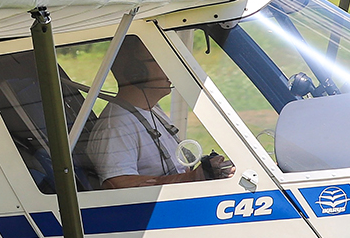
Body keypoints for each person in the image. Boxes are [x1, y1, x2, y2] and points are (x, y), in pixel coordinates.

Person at [79, 40, 236, 189]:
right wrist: (193, 177)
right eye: (159, 60)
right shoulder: (115, 126)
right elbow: (117, 184)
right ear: (136, 71)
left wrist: (210, 171)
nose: (168, 68)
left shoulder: (152, 108)